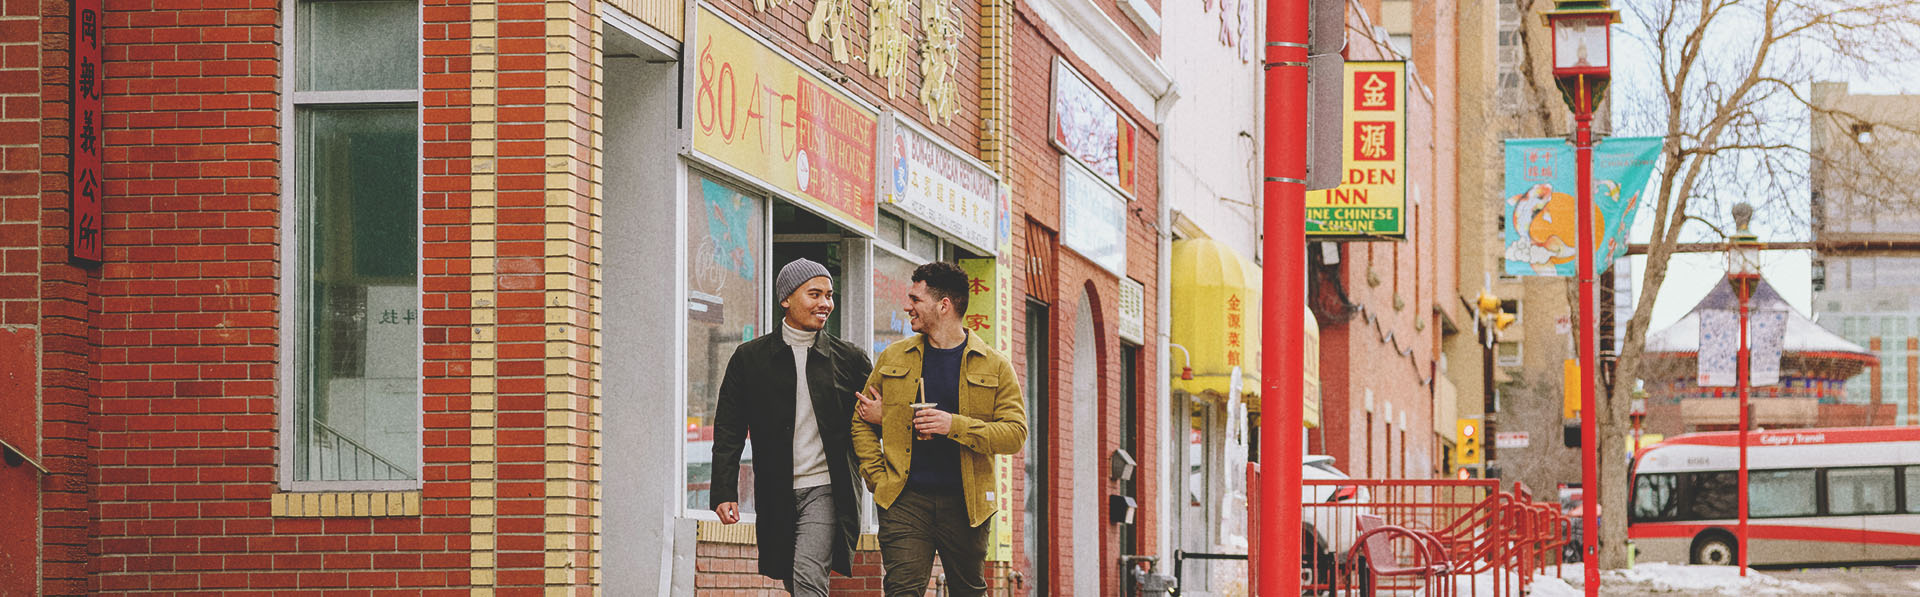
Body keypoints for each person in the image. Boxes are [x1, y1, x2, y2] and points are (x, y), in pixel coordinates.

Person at [851, 261, 1027, 597]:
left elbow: (1015, 433)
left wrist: (952, 425)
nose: (908, 306)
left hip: (966, 502)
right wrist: (877, 477)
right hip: (904, 500)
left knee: (968, 591)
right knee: (902, 590)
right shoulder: (893, 358)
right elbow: (860, 420)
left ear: (943, 305)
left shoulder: (995, 366)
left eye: (916, 299)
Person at [710, 258, 873, 596]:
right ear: (786, 298)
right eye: (815, 294)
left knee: (807, 575)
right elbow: (729, 428)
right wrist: (724, 490)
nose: (825, 303)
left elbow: (876, 420)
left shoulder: (849, 359)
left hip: (827, 487)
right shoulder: (750, 358)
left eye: (829, 295)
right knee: (792, 576)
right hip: (776, 491)